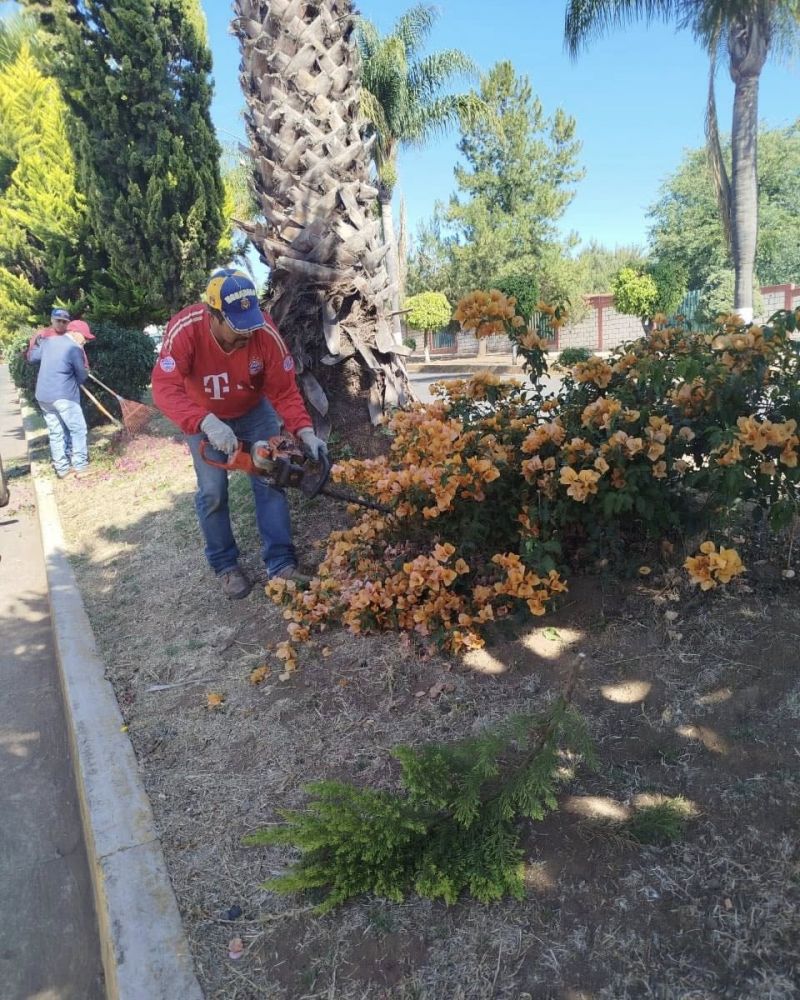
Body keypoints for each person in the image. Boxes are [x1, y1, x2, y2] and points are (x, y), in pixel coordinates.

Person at [151, 269, 327, 599]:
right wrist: (204, 421)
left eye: (251, 323)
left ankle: (281, 563)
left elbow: (284, 390)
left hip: (253, 411)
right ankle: (225, 565)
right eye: (237, 327)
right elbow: (164, 389)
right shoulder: (186, 329)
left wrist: (304, 431)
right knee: (213, 491)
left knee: (271, 481)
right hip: (204, 417)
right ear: (213, 314)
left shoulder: (263, 331)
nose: (247, 334)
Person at [28, 318, 91, 479]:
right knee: (78, 429)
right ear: (75, 333)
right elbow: (82, 375)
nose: (86, 340)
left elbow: (33, 358)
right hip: (63, 395)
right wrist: (81, 374)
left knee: (56, 433)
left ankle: (62, 470)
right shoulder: (73, 348)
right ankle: (80, 467)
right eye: (85, 337)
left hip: (44, 397)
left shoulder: (49, 342)